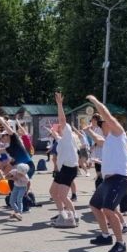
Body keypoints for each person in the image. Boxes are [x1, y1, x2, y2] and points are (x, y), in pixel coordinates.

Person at [87, 95, 127, 252]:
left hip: (119, 179)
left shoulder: (118, 133)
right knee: (94, 205)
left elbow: (107, 115)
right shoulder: (108, 140)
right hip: (108, 180)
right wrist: (89, 130)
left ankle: (121, 243)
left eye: (100, 122)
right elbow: (97, 139)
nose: (99, 124)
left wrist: (95, 102)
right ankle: (106, 236)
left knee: (108, 209)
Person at [47, 92, 79, 227]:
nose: (58, 127)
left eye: (59, 127)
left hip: (69, 169)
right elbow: (56, 136)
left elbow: (62, 120)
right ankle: (62, 214)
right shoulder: (61, 139)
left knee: (62, 195)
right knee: (53, 192)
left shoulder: (67, 133)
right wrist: (52, 132)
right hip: (63, 169)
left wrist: (59, 104)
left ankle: (74, 216)